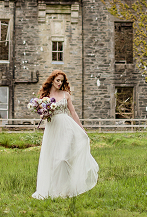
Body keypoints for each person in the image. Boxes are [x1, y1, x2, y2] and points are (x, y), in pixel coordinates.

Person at [32, 70, 99, 199]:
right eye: (57, 80)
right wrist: (44, 114)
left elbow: (73, 113)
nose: (59, 83)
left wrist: (82, 129)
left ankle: (65, 190)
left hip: (67, 128)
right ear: (52, 80)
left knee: (63, 158)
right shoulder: (45, 96)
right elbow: (41, 114)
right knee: (52, 158)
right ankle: (52, 190)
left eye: (61, 81)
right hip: (52, 129)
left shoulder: (66, 95)